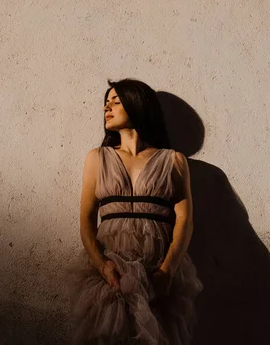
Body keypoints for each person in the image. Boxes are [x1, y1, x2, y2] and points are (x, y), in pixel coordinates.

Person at [66, 78, 203, 344]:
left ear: (138, 105)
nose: (108, 108)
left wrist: (168, 271)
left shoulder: (173, 160)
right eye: (106, 103)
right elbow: (86, 220)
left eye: (116, 102)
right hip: (110, 267)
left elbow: (185, 220)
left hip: (157, 269)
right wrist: (102, 266)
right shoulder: (97, 158)